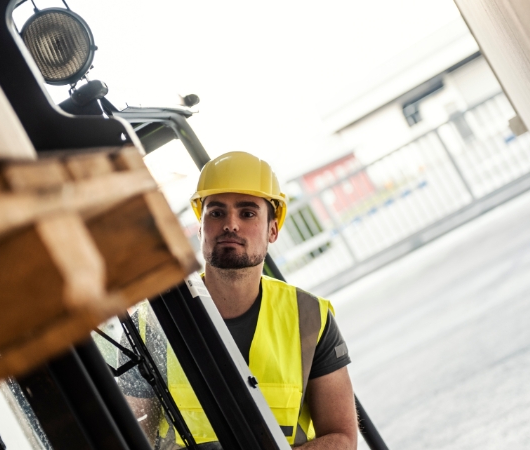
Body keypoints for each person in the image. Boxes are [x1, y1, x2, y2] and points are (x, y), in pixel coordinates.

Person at [122, 151, 357, 449]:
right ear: (200, 228)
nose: (230, 224)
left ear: (272, 230)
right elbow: (130, 438)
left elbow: (342, 438)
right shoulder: (151, 322)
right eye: (216, 213)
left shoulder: (309, 317)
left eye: (247, 213)